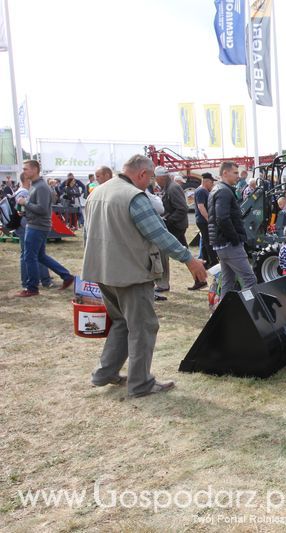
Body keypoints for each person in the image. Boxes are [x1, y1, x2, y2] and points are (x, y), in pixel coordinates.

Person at [83, 154, 206, 397]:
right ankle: (140, 384)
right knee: (143, 327)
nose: (151, 183)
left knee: (120, 322)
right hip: (129, 273)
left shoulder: (97, 192)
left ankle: (104, 373)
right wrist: (189, 259)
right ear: (141, 174)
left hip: (101, 271)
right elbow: (159, 234)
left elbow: (88, 235)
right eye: (150, 178)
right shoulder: (134, 197)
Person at [14, 160, 74, 297]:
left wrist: (25, 203)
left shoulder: (40, 187)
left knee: (30, 257)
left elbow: (42, 209)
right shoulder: (36, 185)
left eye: (26, 169)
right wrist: (25, 211)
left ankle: (32, 288)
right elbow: (40, 208)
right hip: (37, 224)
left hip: (37, 226)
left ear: (35, 169)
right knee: (40, 256)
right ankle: (66, 276)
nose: (24, 171)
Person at [209, 161, 257, 300]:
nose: (238, 176)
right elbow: (222, 218)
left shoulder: (218, 189)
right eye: (235, 173)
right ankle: (248, 312)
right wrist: (235, 238)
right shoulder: (223, 191)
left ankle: (224, 316)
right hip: (229, 244)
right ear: (225, 173)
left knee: (228, 282)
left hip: (223, 244)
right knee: (250, 280)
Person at [13, 172, 54, 290]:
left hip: (25, 225)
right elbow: (39, 209)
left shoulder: (22, 191)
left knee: (30, 254)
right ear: (26, 179)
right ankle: (40, 281)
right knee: (33, 255)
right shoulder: (25, 192)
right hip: (29, 225)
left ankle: (31, 281)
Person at [154, 166, 189, 292]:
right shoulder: (169, 187)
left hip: (176, 226)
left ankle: (163, 284)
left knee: (164, 253)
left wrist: (168, 220)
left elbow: (182, 209)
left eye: (156, 178)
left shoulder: (173, 188)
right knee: (185, 253)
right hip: (176, 225)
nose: (156, 181)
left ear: (161, 177)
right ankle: (199, 279)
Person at [190, 173, 217, 286]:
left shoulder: (204, 191)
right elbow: (201, 207)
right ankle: (213, 262)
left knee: (207, 241)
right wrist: (209, 220)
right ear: (206, 181)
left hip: (204, 220)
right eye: (211, 182)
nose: (212, 184)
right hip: (203, 220)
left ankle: (206, 261)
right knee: (208, 241)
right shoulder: (201, 191)